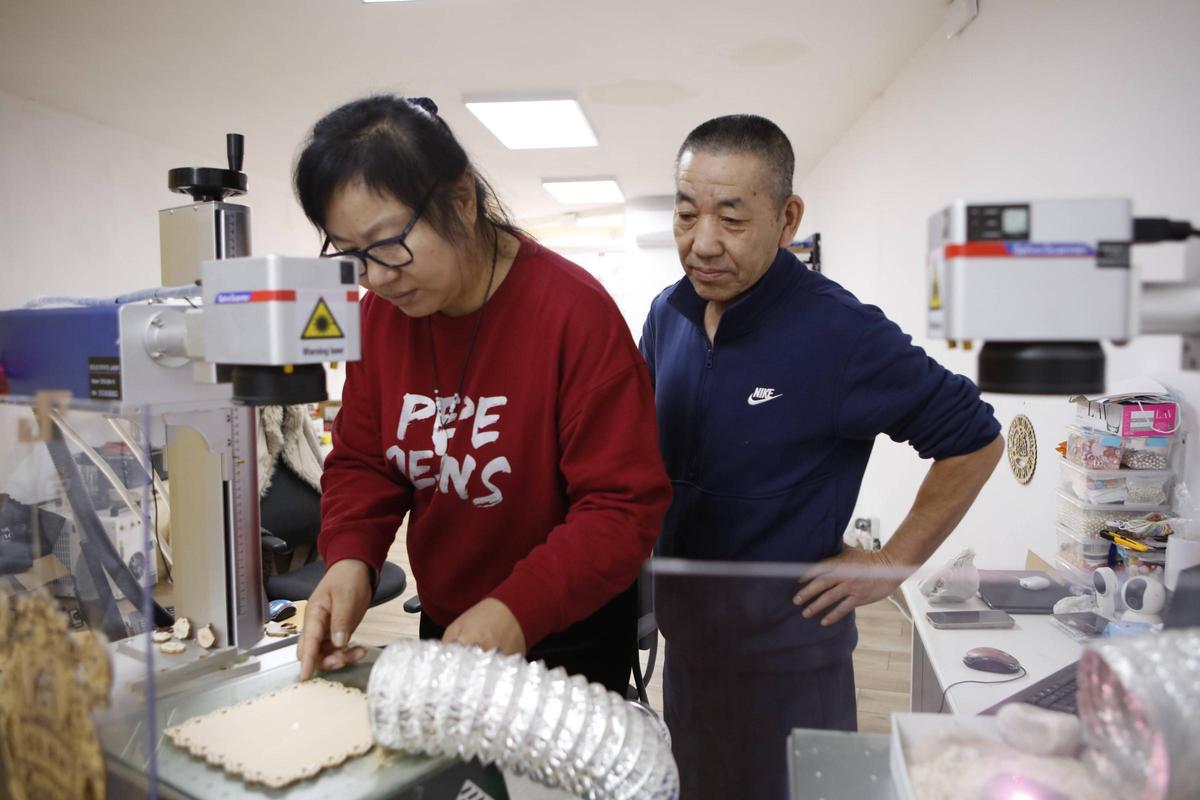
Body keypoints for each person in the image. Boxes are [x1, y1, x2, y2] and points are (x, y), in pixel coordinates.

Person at [640, 114, 1004, 798]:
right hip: (688, 650)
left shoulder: (840, 333)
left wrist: (893, 559)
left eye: (732, 218)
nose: (703, 243)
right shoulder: (668, 315)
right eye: (686, 215)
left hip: (789, 666)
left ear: (786, 218)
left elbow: (976, 439)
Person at [293, 95, 671, 692]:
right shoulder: (379, 320)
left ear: (462, 200)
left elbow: (621, 508)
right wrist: (349, 559)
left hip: (565, 630)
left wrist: (517, 609)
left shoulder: (573, 314)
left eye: (389, 243)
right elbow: (365, 462)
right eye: (351, 255)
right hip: (454, 626)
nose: (377, 278)